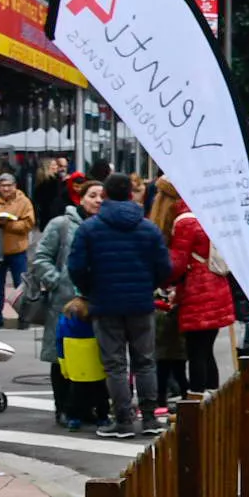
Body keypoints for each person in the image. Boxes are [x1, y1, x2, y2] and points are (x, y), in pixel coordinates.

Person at [69, 171, 170, 438]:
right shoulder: (148, 227)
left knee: (115, 364)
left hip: (105, 302)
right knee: (145, 362)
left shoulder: (90, 228)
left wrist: (91, 289)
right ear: (130, 193)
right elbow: (164, 267)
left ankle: (123, 420)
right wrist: (148, 285)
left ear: (104, 195)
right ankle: (149, 418)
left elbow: (76, 267)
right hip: (141, 301)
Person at [29, 179, 103, 427]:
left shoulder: (105, 226)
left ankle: (86, 408)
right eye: (92, 195)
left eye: (102, 196)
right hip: (64, 303)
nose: (98, 200)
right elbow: (41, 258)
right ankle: (62, 407)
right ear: (80, 198)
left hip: (95, 303)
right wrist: (56, 281)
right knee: (60, 357)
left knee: (91, 357)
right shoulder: (61, 224)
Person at [156, 178, 235, 395]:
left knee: (196, 352)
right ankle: (213, 397)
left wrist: (161, 281)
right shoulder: (204, 215)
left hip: (198, 292)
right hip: (217, 288)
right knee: (206, 349)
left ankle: (198, 401)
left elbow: (177, 263)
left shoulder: (184, 222)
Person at [0, 171, 34, 326]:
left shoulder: (24, 202)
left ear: (15, 186)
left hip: (17, 250)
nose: (6, 189)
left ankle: (24, 317)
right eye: (3, 186)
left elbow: (28, 224)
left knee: (21, 286)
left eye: (9, 186)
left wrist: (7, 223)